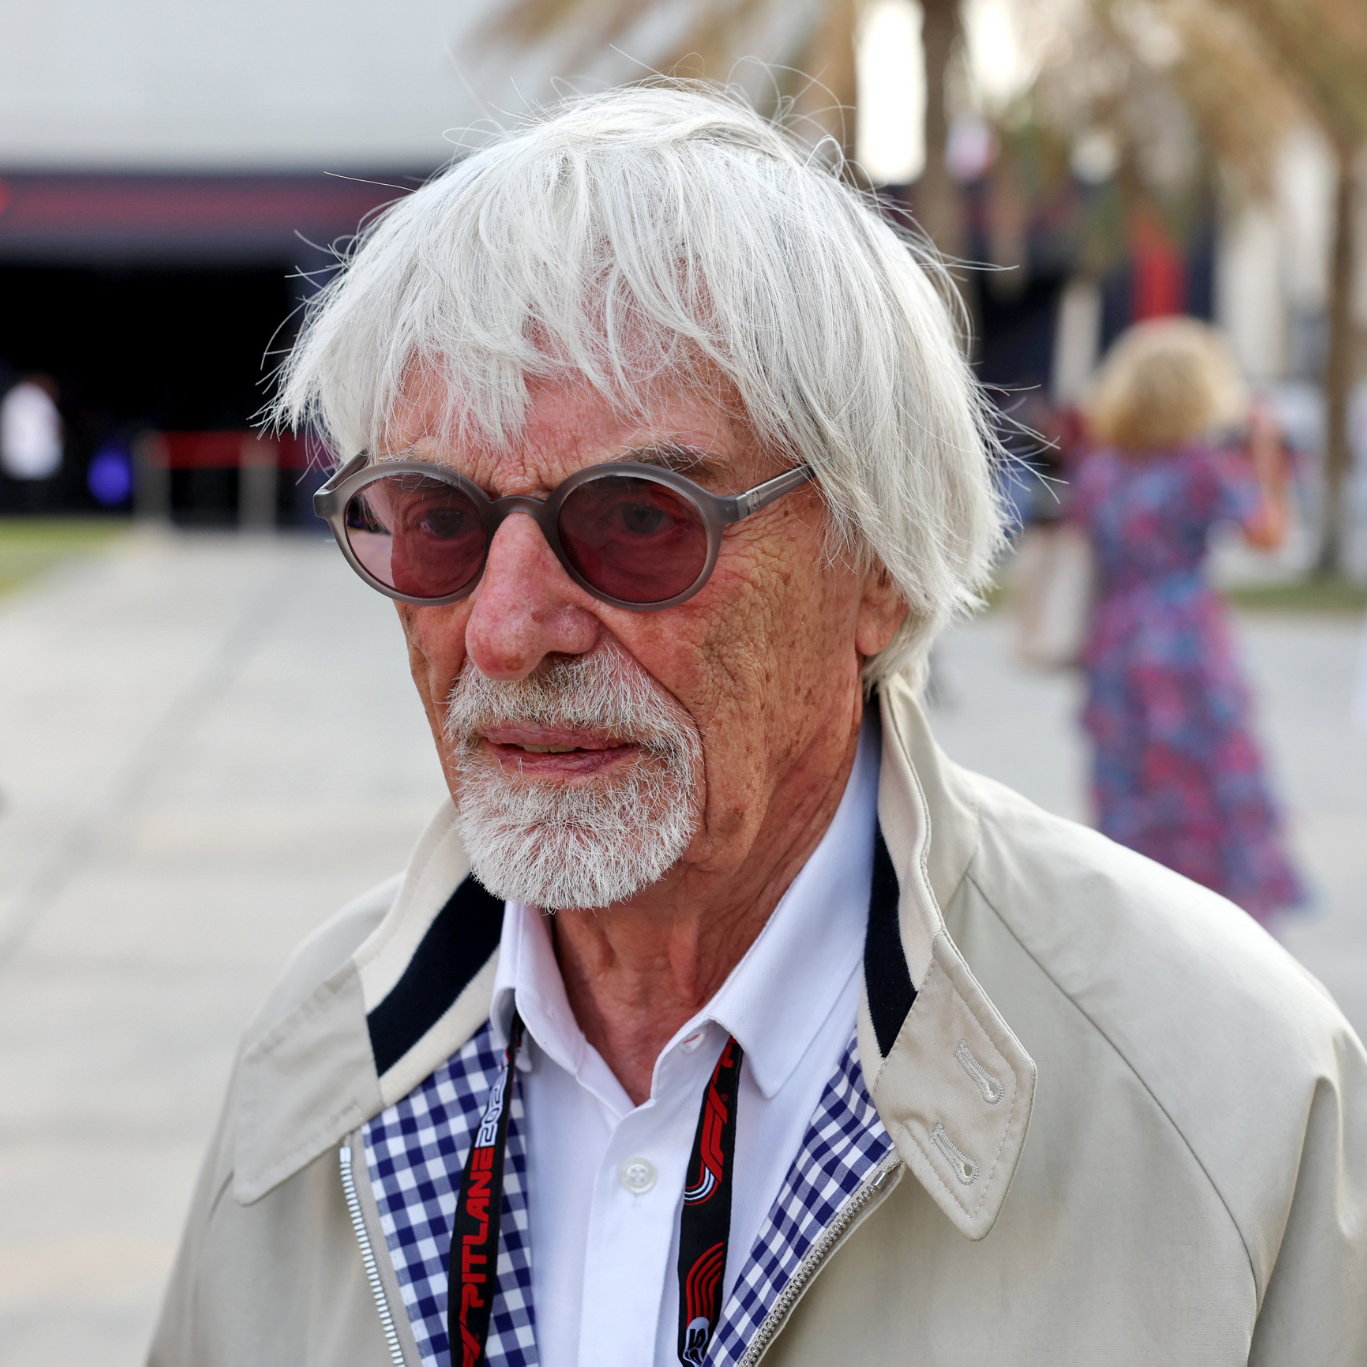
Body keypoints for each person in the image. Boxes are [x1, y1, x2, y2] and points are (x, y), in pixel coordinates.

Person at [149, 89, 1366, 1366]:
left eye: (636, 519)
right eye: (438, 518)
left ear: (874, 563)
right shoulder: (310, 1067)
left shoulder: (1226, 1096)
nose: (505, 631)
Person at [1072, 318, 1306, 927]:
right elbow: (1267, 535)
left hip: (1119, 636)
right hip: (1184, 636)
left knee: (1131, 776)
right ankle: (1222, 909)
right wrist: (1266, 458)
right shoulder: (1201, 466)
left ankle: (1144, 907)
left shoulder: (1100, 467)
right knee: (1206, 771)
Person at [0, 372, 63, 514]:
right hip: (31, 448)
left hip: (20, 448)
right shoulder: (37, 397)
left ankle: (24, 514)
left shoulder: (14, 396)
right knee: (31, 490)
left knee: (24, 489)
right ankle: (31, 514)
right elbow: (52, 424)